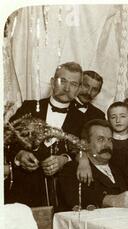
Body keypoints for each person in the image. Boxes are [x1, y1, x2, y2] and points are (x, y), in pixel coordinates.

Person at [8, 61, 85, 207]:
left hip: (63, 199)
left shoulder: (82, 119)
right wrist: (19, 154)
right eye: (62, 81)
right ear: (52, 82)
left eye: (73, 84)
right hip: (24, 194)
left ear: (79, 89)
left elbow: (85, 154)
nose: (67, 88)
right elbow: (7, 140)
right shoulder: (29, 107)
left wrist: (64, 159)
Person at [58, 119, 128, 211]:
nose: (107, 145)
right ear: (85, 143)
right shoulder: (72, 168)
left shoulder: (118, 167)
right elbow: (75, 198)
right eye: (100, 139)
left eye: (110, 140)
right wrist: (111, 200)